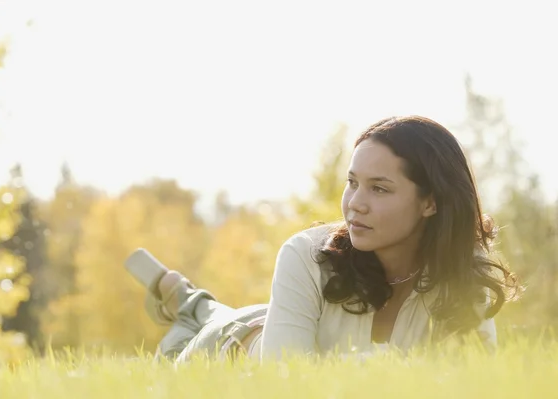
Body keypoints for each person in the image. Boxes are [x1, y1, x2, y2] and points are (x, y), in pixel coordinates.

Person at [128, 115, 521, 363]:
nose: (355, 204)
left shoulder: (463, 278)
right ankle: (184, 300)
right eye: (353, 184)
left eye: (379, 189)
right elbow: (286, 381)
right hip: (230, 349)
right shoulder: (306, 255)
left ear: (430, 203)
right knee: (196, 332)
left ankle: (188, 299)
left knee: (228, 312)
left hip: (280, 323)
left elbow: (472, 381)